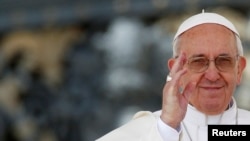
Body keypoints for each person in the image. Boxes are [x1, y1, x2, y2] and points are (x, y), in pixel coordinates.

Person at [96, 11, 250, 141]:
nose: (212, 75)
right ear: (176, 70)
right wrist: (167, 129)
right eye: (198, 62)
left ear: (239, 70)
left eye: (223, 61)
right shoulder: (147, 131)